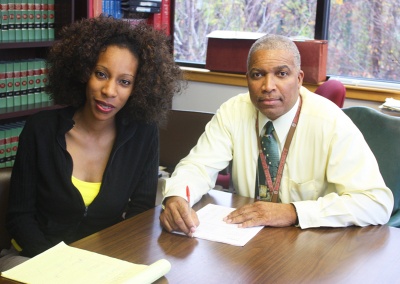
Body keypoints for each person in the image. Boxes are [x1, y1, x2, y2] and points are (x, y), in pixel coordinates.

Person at [160, 34, 394, 236]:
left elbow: (376, 203)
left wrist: (293, 211)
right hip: (247, 240)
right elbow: (198, 166)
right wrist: (177, 197)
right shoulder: (233, 111)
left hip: (314, 245)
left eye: (281, 74)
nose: (268, 86)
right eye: (257, 74)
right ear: (247, 80)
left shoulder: (330, 122)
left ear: (299, 79)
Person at [1, 16, 183, 270]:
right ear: (83, 72)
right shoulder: (40, 129)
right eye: (101, 74)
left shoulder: (144, 135)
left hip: (100, 262)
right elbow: (20, 219)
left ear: (138, 88)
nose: (109, 90)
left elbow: (139, 212)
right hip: (32, 259)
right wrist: (63, 265)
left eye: (124, 82)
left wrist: (107, 262)